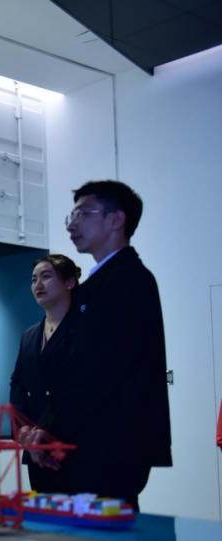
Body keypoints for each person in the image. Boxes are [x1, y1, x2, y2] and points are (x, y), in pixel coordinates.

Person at [38, 180, 172, 511]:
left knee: (106, 533)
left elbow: (95, 371)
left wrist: (54, 433)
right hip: (93, 441)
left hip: (109, 443)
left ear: (116, 220)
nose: (71, 224)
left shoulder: (126, 281)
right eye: (70, 216)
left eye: (83, 214)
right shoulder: (101, 283)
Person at [10, 254, 81, 493]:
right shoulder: (30, 335)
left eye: (46, 276)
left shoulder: (85, 328)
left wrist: (47, 431)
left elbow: (79, 387)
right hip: (37, 448)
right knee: (44, 511)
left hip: (75, 443)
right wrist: (22, 429)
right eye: (33, 279)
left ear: (70, 282)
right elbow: (18, 383)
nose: (38, 285)